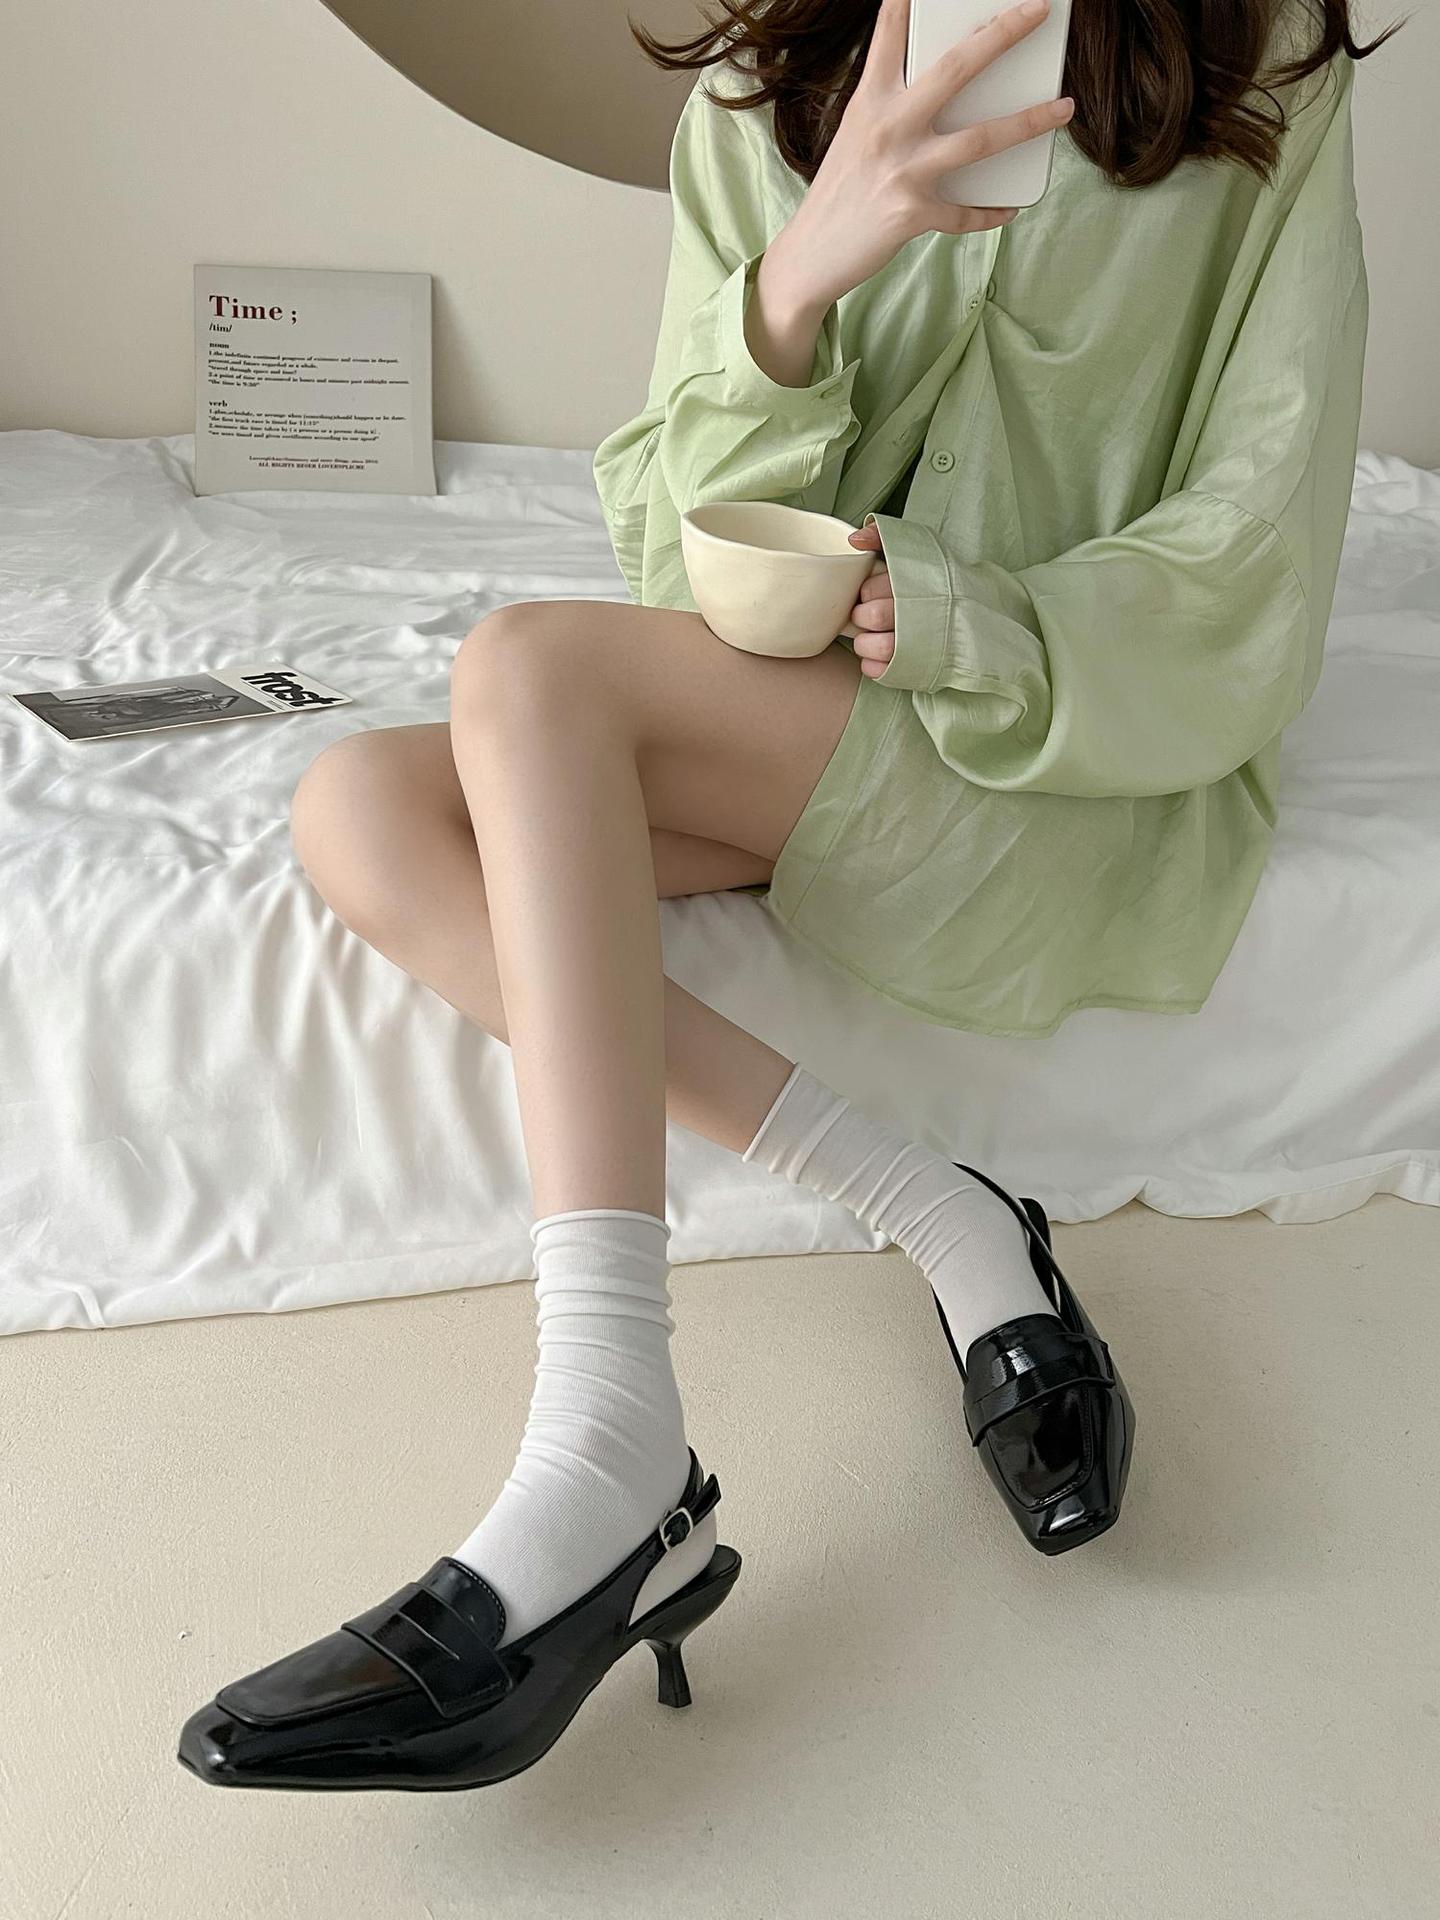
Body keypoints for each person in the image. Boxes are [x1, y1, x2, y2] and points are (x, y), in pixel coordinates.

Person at [177, 0, 1396, 1792]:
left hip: (1073, 742)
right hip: (816, 728)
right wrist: (807, 273)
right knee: (360, 805)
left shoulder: (1258, 54)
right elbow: (681, 568)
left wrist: (975, 614)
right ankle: (943, 1208)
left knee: (529, 672)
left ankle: (608, 1440)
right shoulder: (779, 83)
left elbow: (1258, 545)